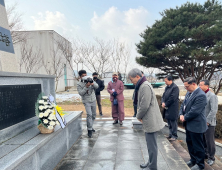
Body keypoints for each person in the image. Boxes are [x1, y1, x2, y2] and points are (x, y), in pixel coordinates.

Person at [128, 68, 165, 170]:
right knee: (150, 145)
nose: (131, 82)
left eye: (132, 79)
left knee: (152, 145)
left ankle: (153, 166)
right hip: (149, 119)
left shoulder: (145, 86)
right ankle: (150, 162)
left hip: (151, 120)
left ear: (137, 76)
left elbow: (144, 105)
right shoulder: (142, 84)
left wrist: (138, 116)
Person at [179, 77, 207, 170]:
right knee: (190, 143)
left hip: (196, 125)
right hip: (188, 124)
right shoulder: (189, 92)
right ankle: (193, 160)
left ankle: (200, 164)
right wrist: (181, 114)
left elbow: (195, 111)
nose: (186, 88)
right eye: (185, 87)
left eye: (187, 86)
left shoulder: (201, 95)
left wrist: (185, 117)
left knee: (198, 146)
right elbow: (183, 105)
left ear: (194, 84)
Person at [199, 80, 218, 166]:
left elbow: (214, 110)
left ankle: (211, 157)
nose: (199, 86)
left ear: (207, 86)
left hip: (209, 123)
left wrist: (207, 121)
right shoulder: (202, 94)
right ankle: (205, 154)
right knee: (203, 140)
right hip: (202, 122)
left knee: (210, 141)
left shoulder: (212, 96)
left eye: (201, 85)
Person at [77, 70, 98, 138]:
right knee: (89, 114)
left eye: (85, 75)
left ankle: (91, 126)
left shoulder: (90, 80)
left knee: (94, 115)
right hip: (86, 101)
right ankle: (89, 130)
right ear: (80, 77)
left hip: (93, 100)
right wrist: (86, 86)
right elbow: (81, 93)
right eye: (83, 76)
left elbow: (97, 86)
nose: (85, 77)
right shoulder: (79, 84)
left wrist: (92, 84)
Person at [162, 75, 179, 141]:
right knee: (168, 121)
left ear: (170, 80)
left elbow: (173, 98)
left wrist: (166, 104)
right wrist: (163, 102)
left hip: (172, 108)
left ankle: (174, 135)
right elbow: (163, 96)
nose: (165, 82)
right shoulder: (167, 87)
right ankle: (170, 134)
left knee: (173, 122)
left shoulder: (175, 88)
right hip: (167, 107)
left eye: (166, 81)